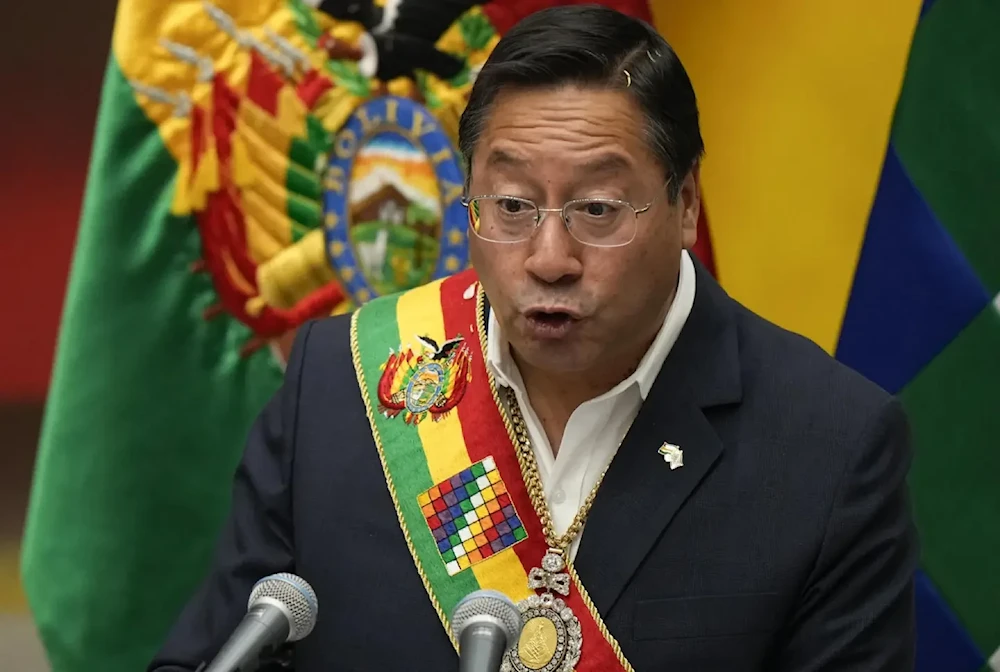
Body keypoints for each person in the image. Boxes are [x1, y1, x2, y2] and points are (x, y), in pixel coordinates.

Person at [149, 5, 918, 671]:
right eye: (511, 206)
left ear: (685, 204)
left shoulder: (828, 447)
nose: (549, 260)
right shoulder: (344, 386)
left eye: (597, 210)